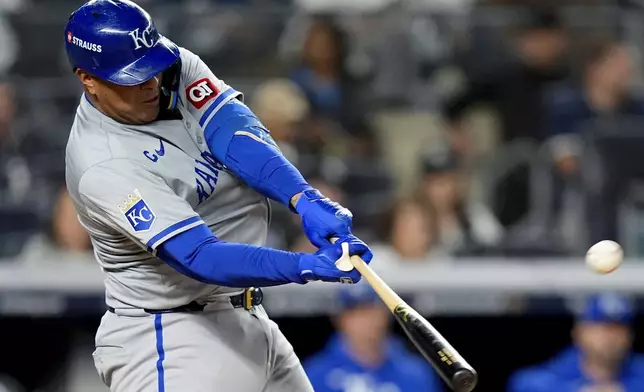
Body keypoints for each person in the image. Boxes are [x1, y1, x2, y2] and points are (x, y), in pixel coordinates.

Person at [62, 1, 373, 391]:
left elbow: (233, 131)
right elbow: (198, 255)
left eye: (151, 69)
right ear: (87, 78)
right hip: (173, 336)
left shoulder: (161, 62)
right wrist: (303, 266)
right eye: (133, 77)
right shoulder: (101, 163)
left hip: (248, 315)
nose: (151, 83)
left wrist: (304, 198)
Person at [303, 282, 444, 392]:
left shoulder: (415, 372)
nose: (369, 320)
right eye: (359, 312)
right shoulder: (315, 373)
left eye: (375, 310)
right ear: (340, 318)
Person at [507, 292, 644, 392]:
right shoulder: (541, 380)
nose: (611, 337)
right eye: (603, 328)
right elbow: (526, 385)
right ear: (579, 332)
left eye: (619, 329)